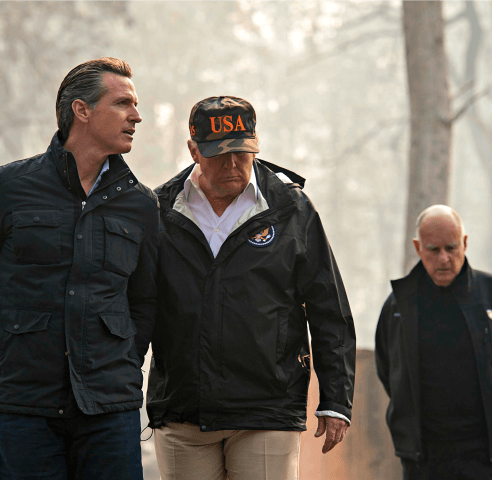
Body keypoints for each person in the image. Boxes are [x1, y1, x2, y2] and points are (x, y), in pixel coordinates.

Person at [0, 57, 158, 480]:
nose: (137, 116)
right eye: (123, 104)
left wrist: (120, 365)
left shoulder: (141, 205)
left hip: (109, 408)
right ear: (82, 110)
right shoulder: (5, 189)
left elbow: (145, 300)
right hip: (23, 405)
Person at [146, 96, 356, 480]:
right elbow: (139, 308)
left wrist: (336, 400)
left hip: (267, 408)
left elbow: (330, 309)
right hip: (182, 411)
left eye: (241, 153)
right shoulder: (158, 209)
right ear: (193, 149)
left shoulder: (291, 209)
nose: (231, 165)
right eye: (217, 154)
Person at [375, 204, 492, 479]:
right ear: (417, 248)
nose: (443, 259)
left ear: (464, 243)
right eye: (433, 249)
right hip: (427, 461)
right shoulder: (398, 307)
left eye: (451, 248)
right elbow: (388, 371)